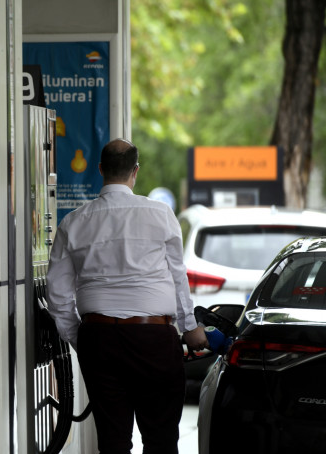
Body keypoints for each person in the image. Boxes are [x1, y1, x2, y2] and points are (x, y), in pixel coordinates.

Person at [46, 138, 208, 454]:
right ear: (135, 171)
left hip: (99, 338)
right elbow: (178, 279)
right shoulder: (161, 214)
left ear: (100, 170)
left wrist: (83, 339)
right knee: (161, 439)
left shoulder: (73, 222)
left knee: (113, 440)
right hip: (154, 338)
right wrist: (191, 329)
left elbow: (58, 295)